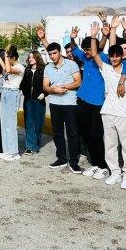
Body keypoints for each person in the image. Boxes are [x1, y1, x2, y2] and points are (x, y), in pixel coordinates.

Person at [49, 21, 109, 178]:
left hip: (97, 103)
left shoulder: (102, 58)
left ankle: (103, 166)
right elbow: (74, 49)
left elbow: (97, 51)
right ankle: (95, 164)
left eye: (88, 49)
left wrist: (97, 35)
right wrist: (72, 37)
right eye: (85, 50)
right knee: (87, 134)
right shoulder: (85, 57)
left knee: (97, 135)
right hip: (82, 101)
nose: (86, 52)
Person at [89, 39, 126, 189]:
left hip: (123, 114)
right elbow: (95, 53)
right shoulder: (107, 69)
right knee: (110, 145)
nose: (114, 58)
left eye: (117, 55)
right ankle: (115, 172)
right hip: (107, 112)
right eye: (112, 56)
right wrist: (94, 37)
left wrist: (122, 81)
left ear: (122, 56)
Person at [42, 41, 82, 171]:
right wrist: (55, 90)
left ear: (60, 52)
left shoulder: (71, 64)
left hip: (70, 103)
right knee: (57, 133)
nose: (52, 56)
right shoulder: (48, 67)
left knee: (72, 133)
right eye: (50, 54)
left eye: (54, 53)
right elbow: (45, 86)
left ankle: (74, 161)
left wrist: (63, 87)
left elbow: (78, 82)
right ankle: (61, 158)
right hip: (54, 103)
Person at [0, 47, 24, 161]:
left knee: (11, 124)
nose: (7, 60)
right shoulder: (11, 66)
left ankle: (13, 152)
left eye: (8, 58)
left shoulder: (20, 67)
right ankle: (7, 150)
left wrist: (6, 56)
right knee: (4, 122)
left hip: (13, 93)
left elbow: (7, 69)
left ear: (13, 57)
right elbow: (4, 67)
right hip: (5, 92)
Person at [20, 50, 46, 155]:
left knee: (38, 123)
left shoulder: (43, 70)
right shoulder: (27, 70)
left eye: (32, 57)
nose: (30, 59)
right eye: (29, 57)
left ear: (37, 58)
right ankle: (31, 146)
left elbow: (48, 84)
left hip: (39, 100)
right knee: (29, 122)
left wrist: (44, 93)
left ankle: (37, 143)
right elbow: (22, 85)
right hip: (28, 100)